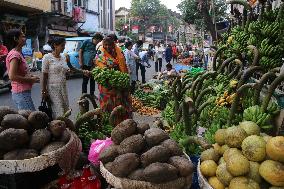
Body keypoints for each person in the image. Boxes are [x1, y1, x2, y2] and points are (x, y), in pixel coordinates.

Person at [95, 37, 132, 116]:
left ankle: (122, 118)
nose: (108, 47)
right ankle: (106, 117)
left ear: (113, 44)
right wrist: (106, 70)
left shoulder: (118, 51)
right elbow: (98, 61)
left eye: (110, 45)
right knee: (106, 102)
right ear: (103, 44)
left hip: (119, 78)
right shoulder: (100, 51)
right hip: (106, 81)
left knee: (121, 99)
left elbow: (123, 64)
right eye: (106, 45)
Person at [6, 29, 40, 110]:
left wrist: (31, 76)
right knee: (33, 118)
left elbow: (20, 72)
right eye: (23, 36)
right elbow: (12, 76)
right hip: (21, 92)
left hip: (22, 92)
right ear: (16, 39)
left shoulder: (18, 53)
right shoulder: (15, 55)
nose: (25, 38)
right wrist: (30, 80)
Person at [41, 37, 70, 119]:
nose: (64, 47)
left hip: (63, 87)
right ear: (55, 45)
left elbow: (67, 71)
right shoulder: (47, 57)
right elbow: (44, 75)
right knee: (58, 111)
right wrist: (44, 91)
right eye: (62, 45)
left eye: (64, 45)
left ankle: (65, 129)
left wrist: (68, 73)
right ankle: (58, 129)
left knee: (65, 109)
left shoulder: (64, 57)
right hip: (53, 89)